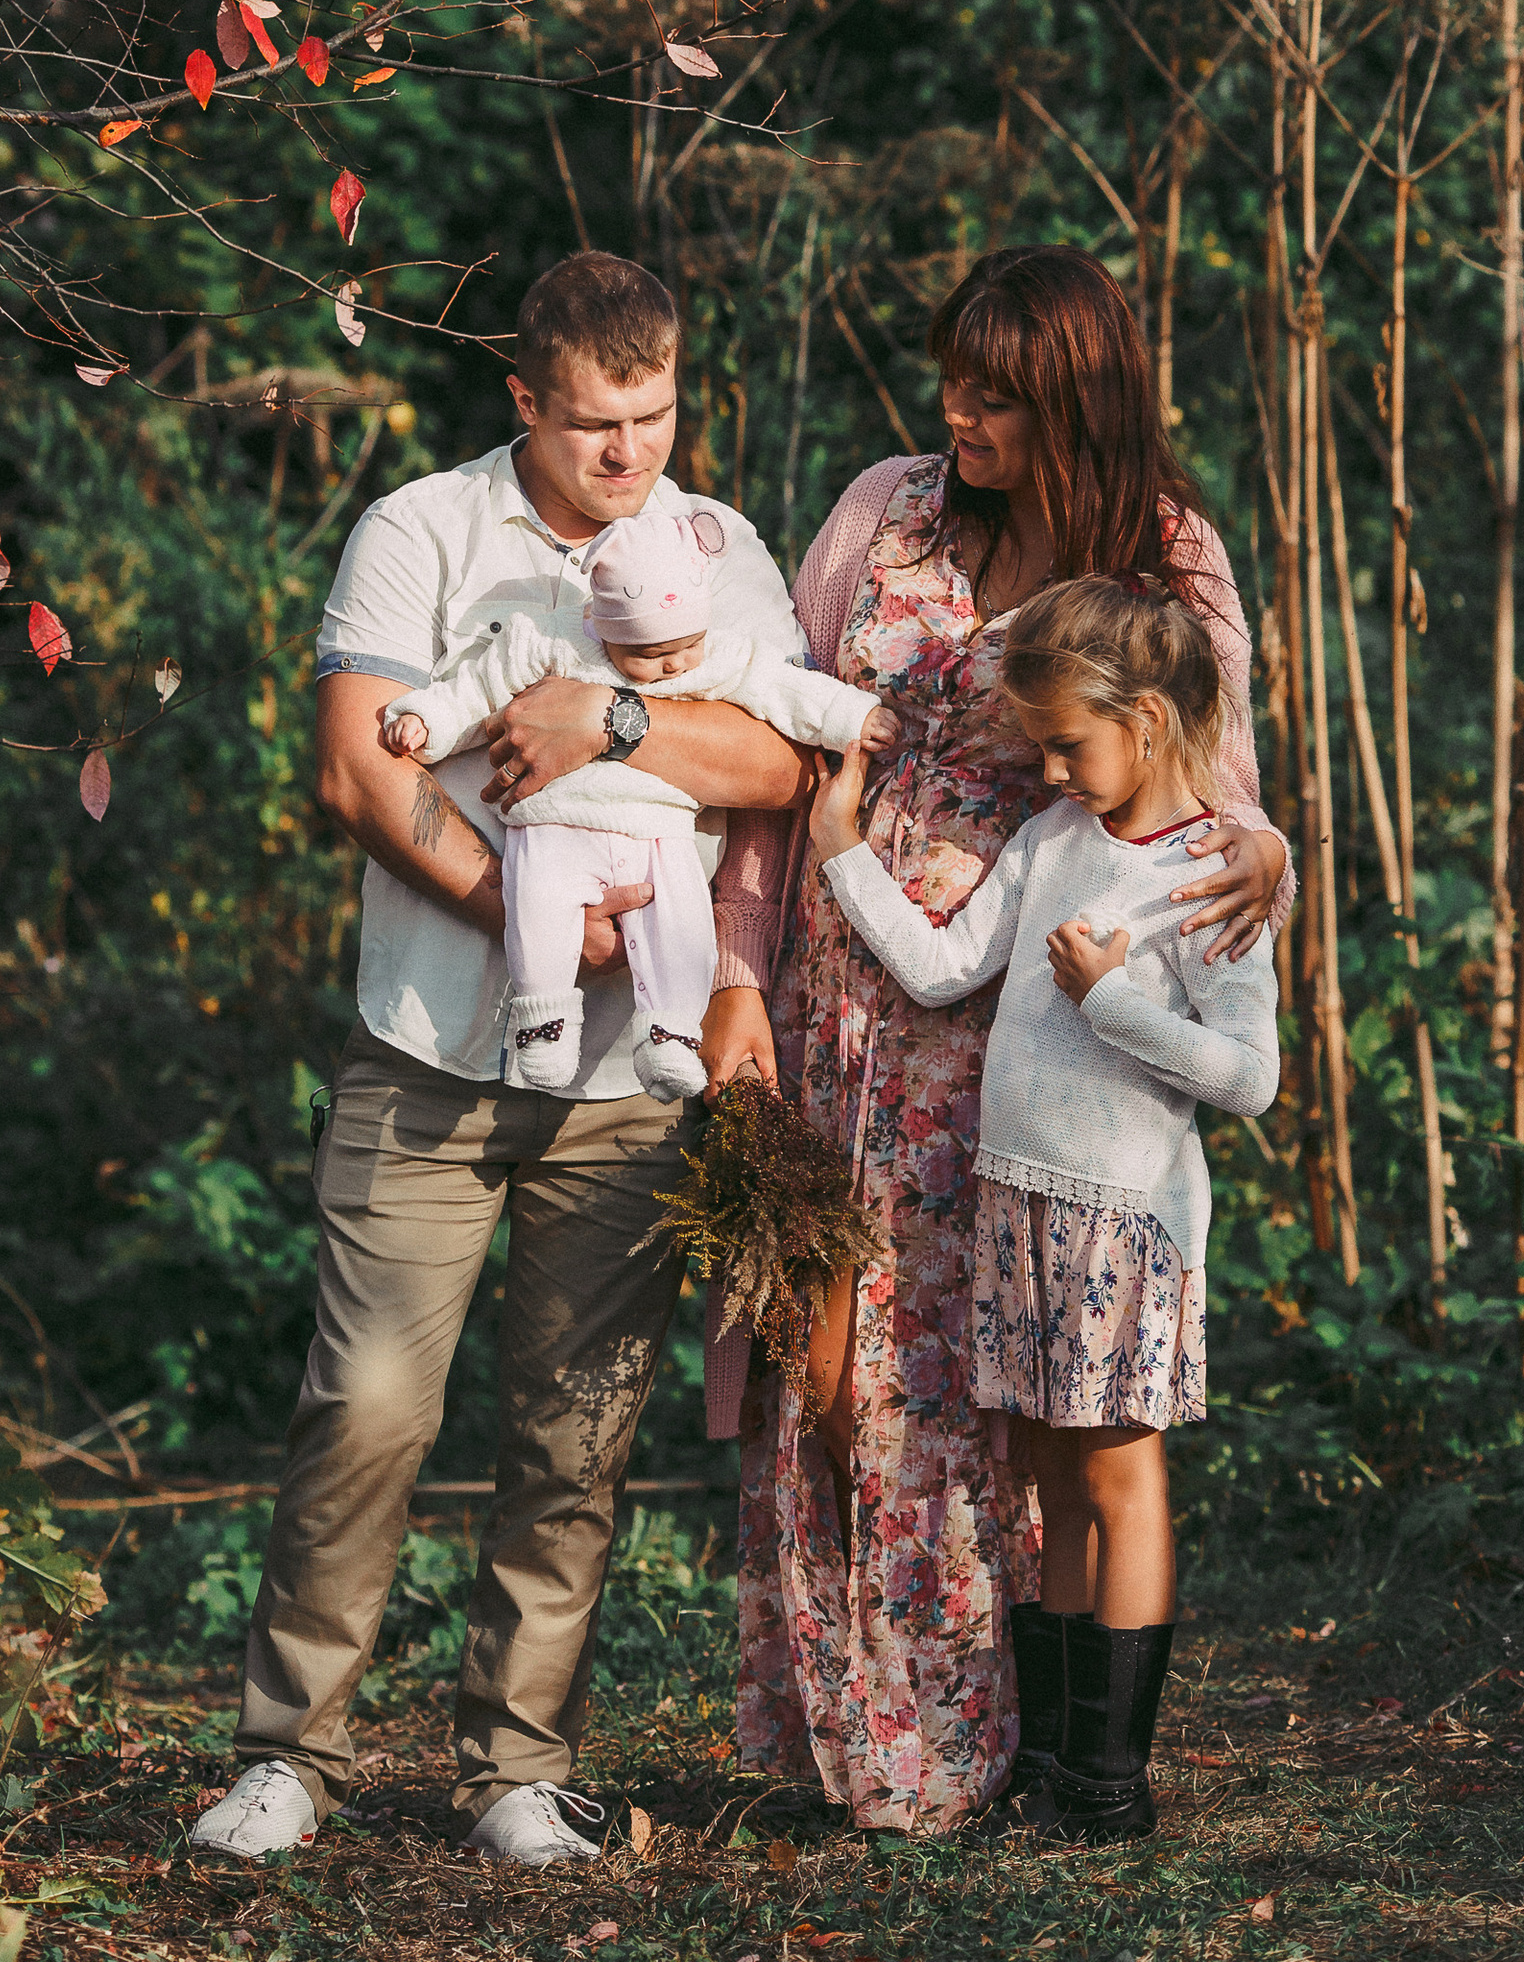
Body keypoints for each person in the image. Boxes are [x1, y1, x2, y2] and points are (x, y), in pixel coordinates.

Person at [189, 251, 807, 1870]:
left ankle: (516, 1766)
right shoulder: (423, 532)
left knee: (573, 1432)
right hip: (429, 1057)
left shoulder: (717, 546)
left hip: (632, 1089)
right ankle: (288, 1756)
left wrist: (601, 726)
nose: (633, 456)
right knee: (369, 1410)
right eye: (598, 423)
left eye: (658, 415)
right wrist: (526, 913)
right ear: (524, 397)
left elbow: (775, 760)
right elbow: (356, 771)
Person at [701, 242, 1293, 1838]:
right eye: (951, 375)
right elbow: (779, 757)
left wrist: (1278, 861)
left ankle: (1003, 1747)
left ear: (1077, 399)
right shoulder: (883, 514)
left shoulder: (1169, 561)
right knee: (828, 1373)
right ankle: (844, 1738)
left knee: (978, 1399)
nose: (956, 411)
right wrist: (739, 975)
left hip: (1018, 1052)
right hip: (846, 1002)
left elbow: (1214, 806)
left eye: (998, 393)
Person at [806, 574, 1280, 1841]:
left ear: (1153, 717)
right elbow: (944, 964)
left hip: (1124, 1222)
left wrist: (1113, 1004)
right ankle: (1058, 1765)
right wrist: (841, 849)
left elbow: (1249, 1079)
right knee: (1047, 1489)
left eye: (1072, 741)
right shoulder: (1054, 841)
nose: (1056, 769)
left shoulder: (1215, 877)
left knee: (1121, 1479)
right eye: (1044, 746)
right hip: (1016, 1212)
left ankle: (1115, 1787)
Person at [383, 496, 894, 1100]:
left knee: (680, 927)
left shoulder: (709, 657)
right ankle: (542, 1022)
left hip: (660, 830)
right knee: (539, 911)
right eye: (648, 656)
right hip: (556, 823)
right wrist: (428, 719)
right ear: (601, 627)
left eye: (685, 646)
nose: (673, 665)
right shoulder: (555, 642)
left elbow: (783, 691)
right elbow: (479, 686)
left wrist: (852, 717)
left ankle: (670, 1035)